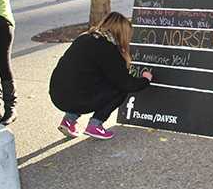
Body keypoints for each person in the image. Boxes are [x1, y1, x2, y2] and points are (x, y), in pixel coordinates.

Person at [49, 12, 152, 140]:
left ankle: (68, 120)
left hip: (57, 94)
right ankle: (95, 125)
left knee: (84, 84)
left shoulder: (84, 37)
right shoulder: (109, 49)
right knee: (120, 90)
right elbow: (126, 83)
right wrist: (145, 80)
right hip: (76, 99)